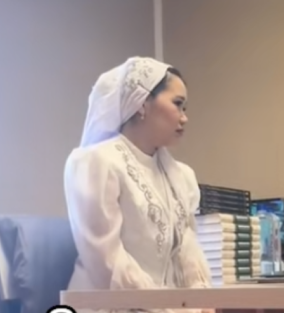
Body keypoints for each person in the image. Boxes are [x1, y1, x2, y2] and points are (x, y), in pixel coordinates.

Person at [64, 57, 213, 313]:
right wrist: (167, 308)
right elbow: (107, 262)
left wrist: (201, 303)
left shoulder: (180, 175)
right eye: (177, 104)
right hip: (109, 304)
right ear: (143, 103)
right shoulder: (97, 162)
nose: (184, 118)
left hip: (162, 306)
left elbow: (187, 253)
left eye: (185, 108)